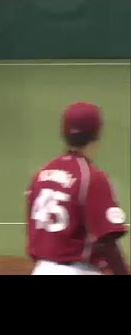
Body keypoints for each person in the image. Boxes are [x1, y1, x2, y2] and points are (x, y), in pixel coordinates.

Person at [26, 102, 129, 275]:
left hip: (42, 269)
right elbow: (108, 240)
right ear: (97, 134)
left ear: (64, 132)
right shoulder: (92, 177)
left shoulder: (41, 174)